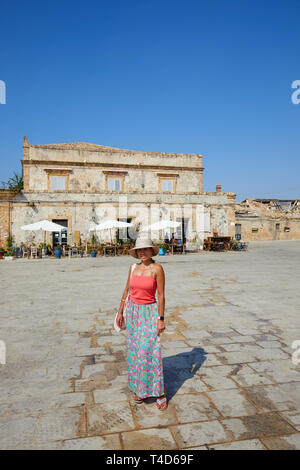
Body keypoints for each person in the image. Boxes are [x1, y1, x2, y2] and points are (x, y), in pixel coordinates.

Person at [116, 237, 167, 410]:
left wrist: (161, 319)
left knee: (149, 352)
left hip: (149, 313)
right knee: (135, 354)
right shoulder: (132, 268)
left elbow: (160, 296)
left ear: (151, 251)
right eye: (139, 250)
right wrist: (120, 311)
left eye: (145, 249)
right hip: (132, 313)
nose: (142, 252)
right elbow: (126, 291)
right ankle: (139, 390)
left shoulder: (157, 269)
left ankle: (159, 392)